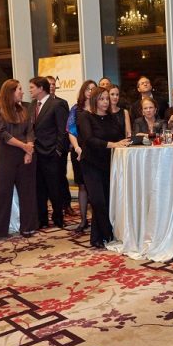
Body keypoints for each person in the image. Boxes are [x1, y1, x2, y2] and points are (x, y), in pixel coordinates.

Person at [0, 79, 38, 245]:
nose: (22, 92)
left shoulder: (24, 109)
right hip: (5, 157)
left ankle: (28, 227)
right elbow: (2, 134)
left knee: (27, 192)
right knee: (1, 193)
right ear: (10, 92)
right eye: (19, 89)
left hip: (25, 156)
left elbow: (30, 131)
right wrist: (24, 147)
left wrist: (29, 149)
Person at [76, 87, 130, 248]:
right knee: (98, 201)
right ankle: (107, 233)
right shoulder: (85, 116)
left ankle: (97, 238)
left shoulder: (111, 118)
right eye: (101, 99)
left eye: (107, 98)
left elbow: (120, 137)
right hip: (91, 164)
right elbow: (89, 139)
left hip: (109, 164)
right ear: (94, 100)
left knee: (107, 201)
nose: (106, 102)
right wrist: (112, 144)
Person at [29, 76, 69, 229]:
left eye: (32, 87)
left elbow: (62, 131)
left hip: (52, 153)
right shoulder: (32, 105)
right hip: (36, 154)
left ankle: (58, 217)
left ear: (40, 88)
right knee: (39, 188)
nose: (29, 90)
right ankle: (42, 219)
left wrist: (58, 151)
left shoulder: (57, 104)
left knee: (55, 188)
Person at [66, 80, 97, 232]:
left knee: (96, 186)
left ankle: (98, 221)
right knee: (82, 186)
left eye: (94, 89)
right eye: (88, 89)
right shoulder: (75, 109)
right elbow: (71, 131)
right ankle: (84, 220)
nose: (91, 91)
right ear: (83, 91)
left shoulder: (100, 108)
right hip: (79, 152)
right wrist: (77, 148)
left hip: (96, 152)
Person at [46, 75, 74, 217]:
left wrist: (60, 148)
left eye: (52, 84)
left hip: (58, 148)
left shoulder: (62, 103)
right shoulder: (37, 104)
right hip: (43, 149)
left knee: (61, 177)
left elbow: (65, 127)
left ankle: (66, 204)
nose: (51, 86)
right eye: (48, 84)